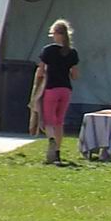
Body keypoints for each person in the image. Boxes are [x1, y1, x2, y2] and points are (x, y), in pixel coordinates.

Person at [36, 18, 79, 165]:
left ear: (56, 34)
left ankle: (51, 140)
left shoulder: (48, 50)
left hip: (51, 88)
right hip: (65, 90)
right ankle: (58, 153)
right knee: (59, 122)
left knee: (49, 120)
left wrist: (38, 84)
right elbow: (75, 75)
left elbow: (40, 71)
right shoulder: (72, 52)